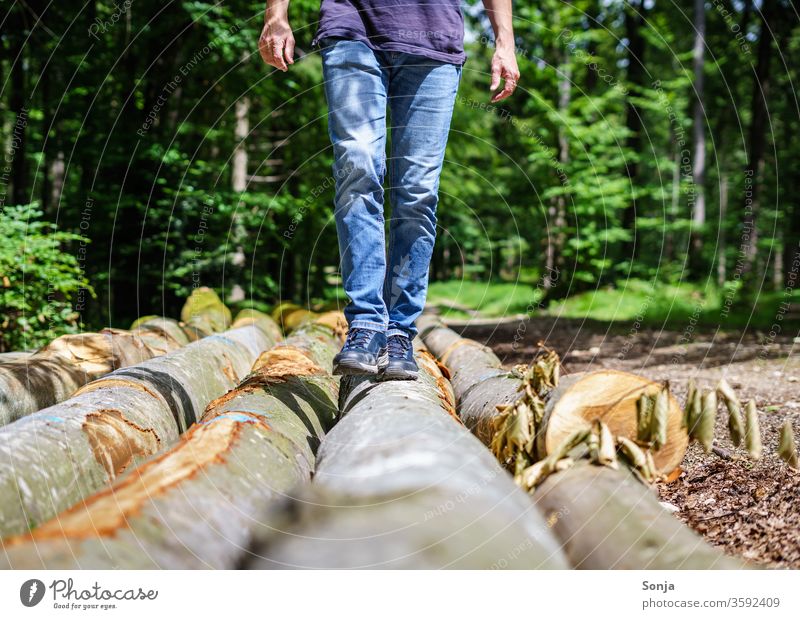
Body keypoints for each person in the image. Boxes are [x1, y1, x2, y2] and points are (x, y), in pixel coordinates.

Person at [259, 0, 519, 380]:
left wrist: (505, 42)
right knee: (358, 167)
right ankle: (365, 323)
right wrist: (276, 16)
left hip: (435, 39)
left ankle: (399, 331)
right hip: (352, 28)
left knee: (418, 190)